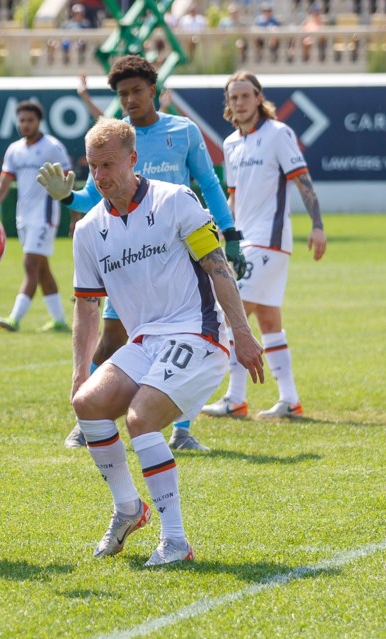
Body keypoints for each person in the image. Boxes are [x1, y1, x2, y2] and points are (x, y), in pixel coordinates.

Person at [69, 117, 265, 566]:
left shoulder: (175, 200)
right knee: (89, 404)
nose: (99, 176)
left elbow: (218, 267)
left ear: (133, 160)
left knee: (141, 419)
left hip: (199, 333)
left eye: (109, 165)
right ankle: (127, 509)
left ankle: (175, 541)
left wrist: (243, 332)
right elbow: (85, 305)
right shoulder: (87, 230)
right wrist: (80, 372)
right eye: (92, 167)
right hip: (145, 340)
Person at [39, 55, 247, 452]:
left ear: (153, 89)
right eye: (122, 94)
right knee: (111, 340)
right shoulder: (113, 137)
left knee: (186, 336)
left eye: (136, 90)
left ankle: (181, 431)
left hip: (179, 253)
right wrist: (67, 197)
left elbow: (208, 182)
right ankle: (90, 420)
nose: (130, 99)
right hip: (129, 255)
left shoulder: (183, 131)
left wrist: (231, 234)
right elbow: (95, 198)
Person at [201, 70, 326, 420]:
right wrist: (224, 232)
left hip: (269, 242)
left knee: (233, 315)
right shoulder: (230, 144)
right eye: (233, 97)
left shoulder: (278, 133)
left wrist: (317, 226)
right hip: (243, 242)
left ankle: (235, 398)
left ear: (259, 98)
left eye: (245, 95)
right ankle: (290, 400)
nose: (239, 102)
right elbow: (233, 194)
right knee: (269, 321)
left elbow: (302, 180)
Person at [0, 101, 73, 333]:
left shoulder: (52, 147)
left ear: (39, 122)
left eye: (30, 120)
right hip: (23, 217)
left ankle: (15, 318)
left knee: (30, 263)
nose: (25, 124)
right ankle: (59, 321)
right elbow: (4, 183)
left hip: (44, 216)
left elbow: (67, 180)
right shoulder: (14, 150)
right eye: (22, 120)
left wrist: (75, 216)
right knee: (42, 269)